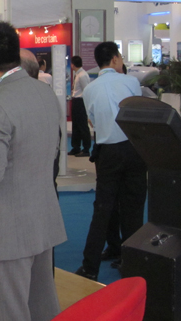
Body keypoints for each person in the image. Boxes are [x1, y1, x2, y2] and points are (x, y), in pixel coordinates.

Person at [0, 21, 66, 321]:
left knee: (9, 308)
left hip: (10, 224)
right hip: (42, 216)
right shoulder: (44, 91)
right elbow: (47, 150)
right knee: (42, 305)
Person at [75, 42, 146, 281]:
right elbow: (137, 111)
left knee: (103, 208)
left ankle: (90, 267)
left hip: (107, 153)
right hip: (134, 149)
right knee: (133, 207)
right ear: (115, 59)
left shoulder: (90, 89)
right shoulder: (131, 82)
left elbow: (93, 122)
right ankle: (131, 263)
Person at [69, 56, 92, 157]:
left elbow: (86, 91)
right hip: (76, 101)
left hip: (81, 101)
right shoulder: (78, 74)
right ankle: (76, 147)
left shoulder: (82, 75)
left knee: (82, 125)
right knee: (76, 125)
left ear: (73, 64)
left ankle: (86, 149)